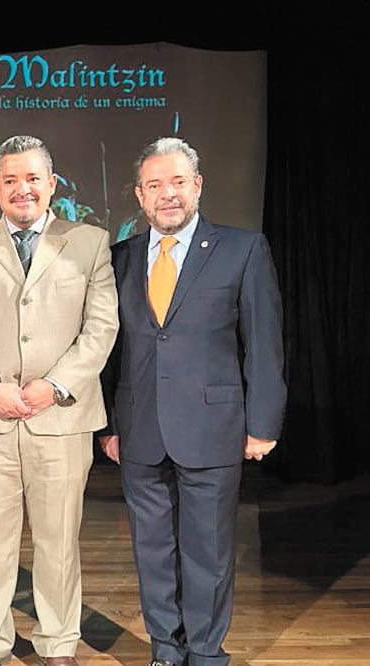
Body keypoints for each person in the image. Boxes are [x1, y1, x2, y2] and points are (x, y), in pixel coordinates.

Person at [97, 137, 286, 666]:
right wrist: (109, 424)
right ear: (139, 195)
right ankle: (165, 650)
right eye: (155, 185)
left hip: (214, 428)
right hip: (139, 431)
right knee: (152, 552)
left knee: (207, 552)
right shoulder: (121, 258)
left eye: (178, 182)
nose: (168, 194)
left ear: (198, 186)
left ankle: (205, 654)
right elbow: (110, 351)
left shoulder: (243, 249)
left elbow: (265, 343)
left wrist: (263, 423)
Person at [0, 135, 119, 666]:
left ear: (52, 185)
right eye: (11, 180)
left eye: (33, 178)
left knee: (59, 540)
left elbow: (101, 327)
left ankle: (58, 641)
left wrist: (55, 384)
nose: (23, 189)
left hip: (60, 416)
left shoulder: (89, 242)